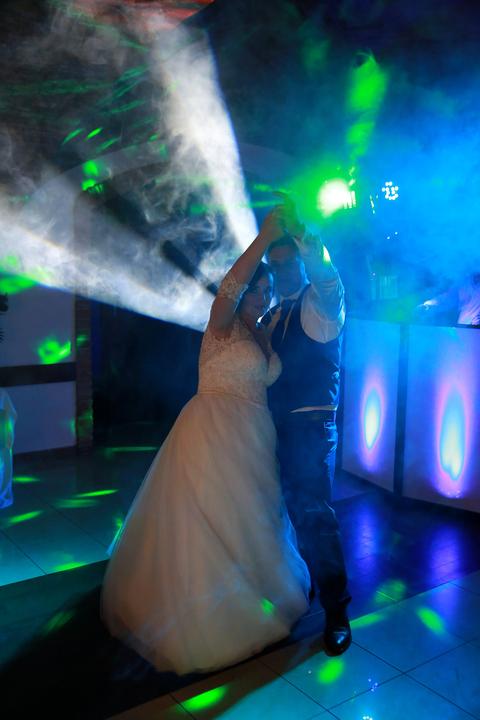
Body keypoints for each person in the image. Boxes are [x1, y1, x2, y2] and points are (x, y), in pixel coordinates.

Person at [101, 207, 310, 676]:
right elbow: (232, 284)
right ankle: (206, 614)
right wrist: (263, 238)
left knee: (250, 519)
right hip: (213, 428)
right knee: (210, 518)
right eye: (256, 288)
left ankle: (255, 591)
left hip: (256, 437)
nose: (262, 294)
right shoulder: (222, 325)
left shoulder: (262, 332)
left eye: (267, 289)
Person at [264, 199, 352, 656]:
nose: (282, 271)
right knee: (292, 513)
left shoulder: (321, 304)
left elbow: (328, 278)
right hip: (275, 430)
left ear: (300, 260)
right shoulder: (273, 315)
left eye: (288, 262)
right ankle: (308, 583)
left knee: (315, 515)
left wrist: (305, 238)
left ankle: (337, 610)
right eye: (275, 266)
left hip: (312, 429)